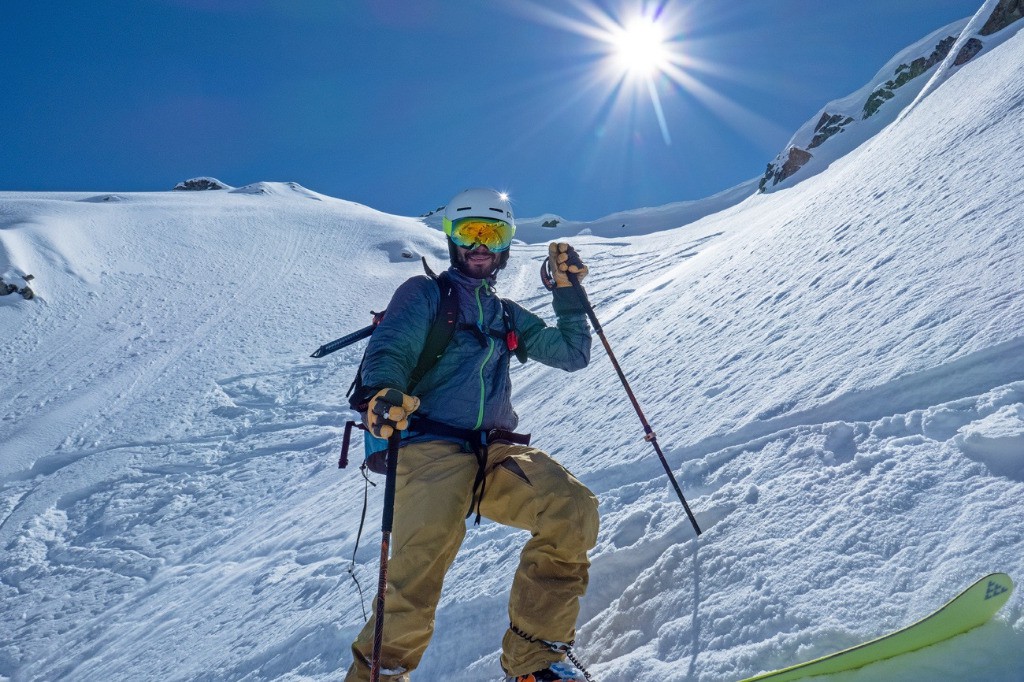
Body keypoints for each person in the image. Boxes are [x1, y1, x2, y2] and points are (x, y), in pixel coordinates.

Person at [345, 188, 600, 682]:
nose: (481, 245)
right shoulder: (424, 295)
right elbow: (391, 348)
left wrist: (567, 293)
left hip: (493, 451)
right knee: (416, 575)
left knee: (571, 509)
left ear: (506, 243)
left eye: (494, 233)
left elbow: (571, 353)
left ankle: (532, 664)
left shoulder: (505, 314)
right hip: (428, 446)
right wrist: (382, 392)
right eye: (470, 232)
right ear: (452, 239)